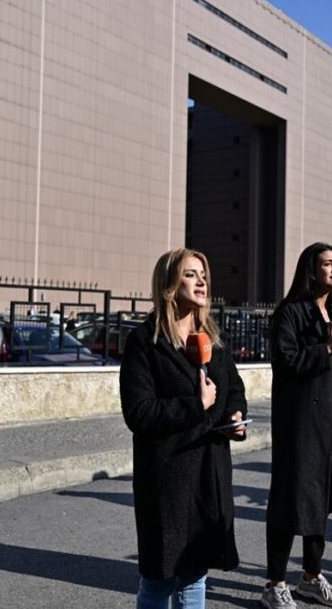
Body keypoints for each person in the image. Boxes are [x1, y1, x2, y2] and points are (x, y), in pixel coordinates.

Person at [119, 248, 248, 609]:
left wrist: (236, 417)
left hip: (209, 476)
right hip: (167, 479)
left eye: (203, 274)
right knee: (159, 580)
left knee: (195, 577)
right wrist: (196, 405)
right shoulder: (145, 341)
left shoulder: (212, 338)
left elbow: (234, 388)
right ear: (168, 285)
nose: (202, 280)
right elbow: (139, 413)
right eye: (191, 274)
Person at [262, 242, 332, 609]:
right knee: (291, 499)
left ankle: (310, 576)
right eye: (327, 264)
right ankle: (274, 583)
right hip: (300, 422)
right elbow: (284, 362)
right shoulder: (290, 312)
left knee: (321, 497)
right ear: (311, 270)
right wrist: (326, 350)